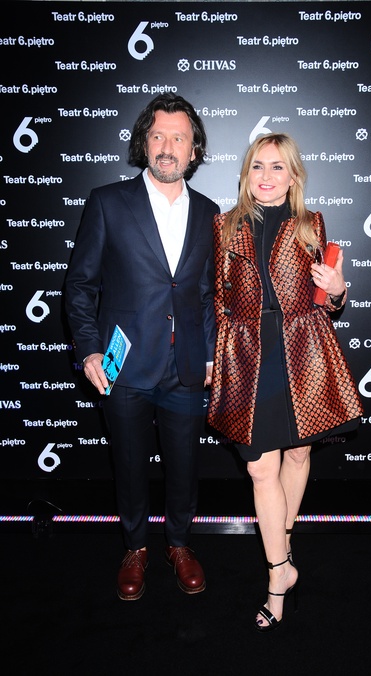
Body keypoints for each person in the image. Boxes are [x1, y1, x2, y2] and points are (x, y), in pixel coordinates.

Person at [65, 93, 219, 600]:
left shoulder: (210, 213)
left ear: (194, 149)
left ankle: (179, 543)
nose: (167, 146)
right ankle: (135, 547)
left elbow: (205, 294)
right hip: (122, 364)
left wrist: (210, 352)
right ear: (144, 143)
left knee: (184, 467)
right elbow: (80, 286)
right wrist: (90, 349)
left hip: (186, 366)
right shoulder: (108, 202)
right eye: (158, 135)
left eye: (179, 137)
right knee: (128, 465)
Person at [207, 133, 363, 631]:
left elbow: (326, 300)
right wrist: (216, 358)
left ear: (293, 176)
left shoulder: (311, 223)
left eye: (278, 167)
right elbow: (217, 300)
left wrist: (338, 291)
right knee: (259, 469)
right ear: (245, 174)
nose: (267, 176)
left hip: (302, 351)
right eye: (258, 166)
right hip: (247, 355)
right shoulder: (224, 226)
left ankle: (283, 548)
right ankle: (280, 571)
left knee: (297, 455)